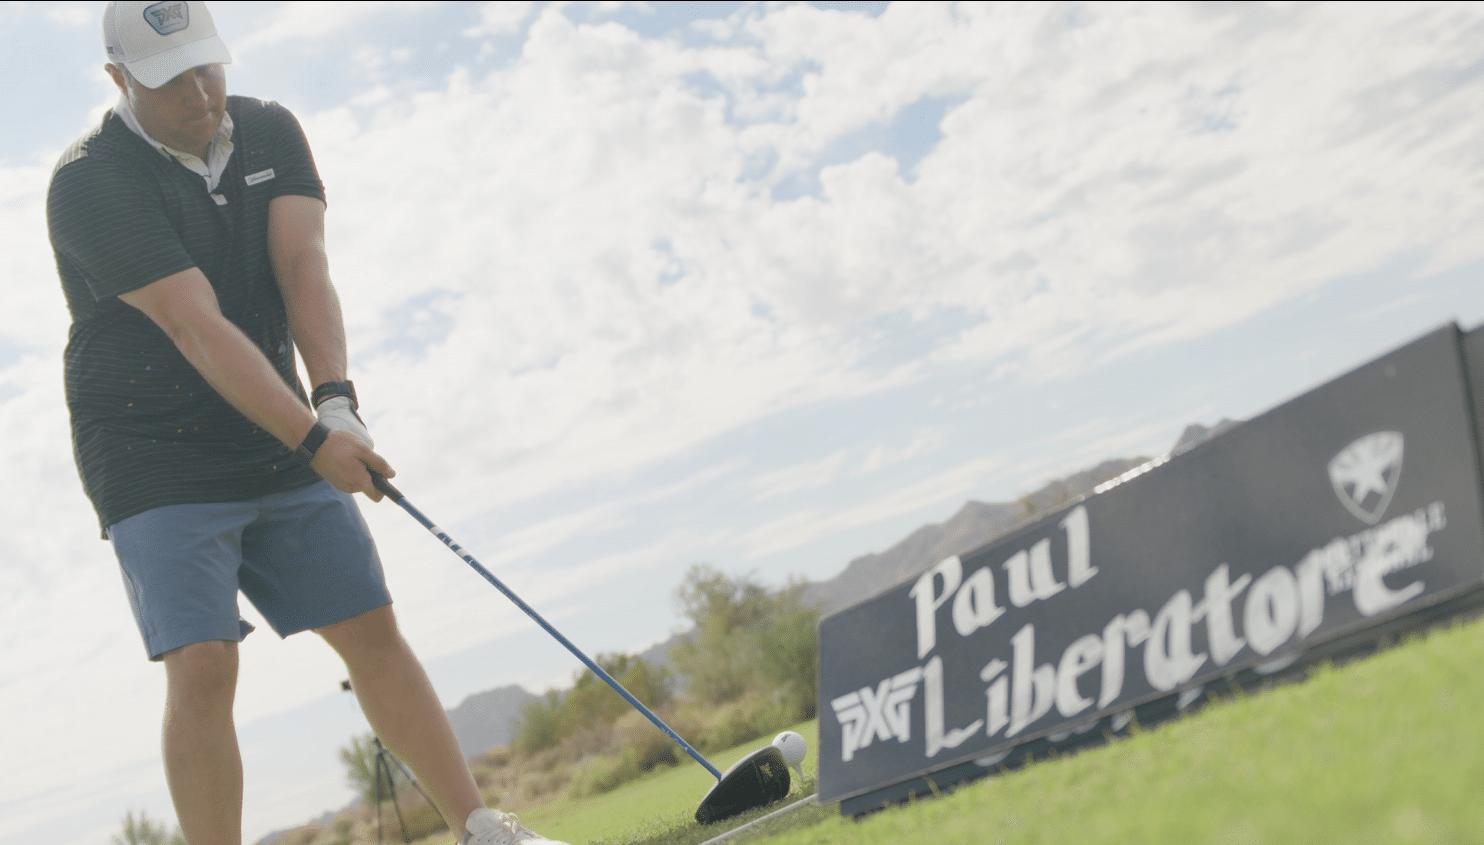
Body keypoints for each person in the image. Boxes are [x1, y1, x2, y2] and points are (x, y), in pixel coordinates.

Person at [47, 4, 565, 844]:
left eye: (207, 66)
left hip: (276, 422)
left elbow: (302, 265)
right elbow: (195, 325)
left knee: (369, 625)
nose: (199, 92)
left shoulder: (269, 129)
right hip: (149, 452)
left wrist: (334, 402)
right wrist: (316, 440)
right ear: (118, 80)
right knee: (206, 662)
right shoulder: (89, 180)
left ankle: (481, 827)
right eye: (169, 79)